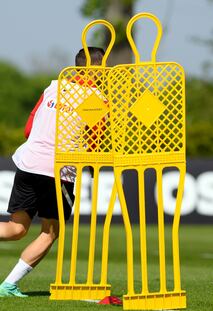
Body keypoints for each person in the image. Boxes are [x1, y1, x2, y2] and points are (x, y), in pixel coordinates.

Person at [0, 47, 105, 297]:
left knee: (16, 229)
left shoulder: (53, 87)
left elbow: (28, 129)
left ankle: (8, 286)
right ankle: (8, 286)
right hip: (58, 170)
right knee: (51, 231)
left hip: (28, 161)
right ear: (98, 69)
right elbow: (95, 141)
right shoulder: (97, 98)